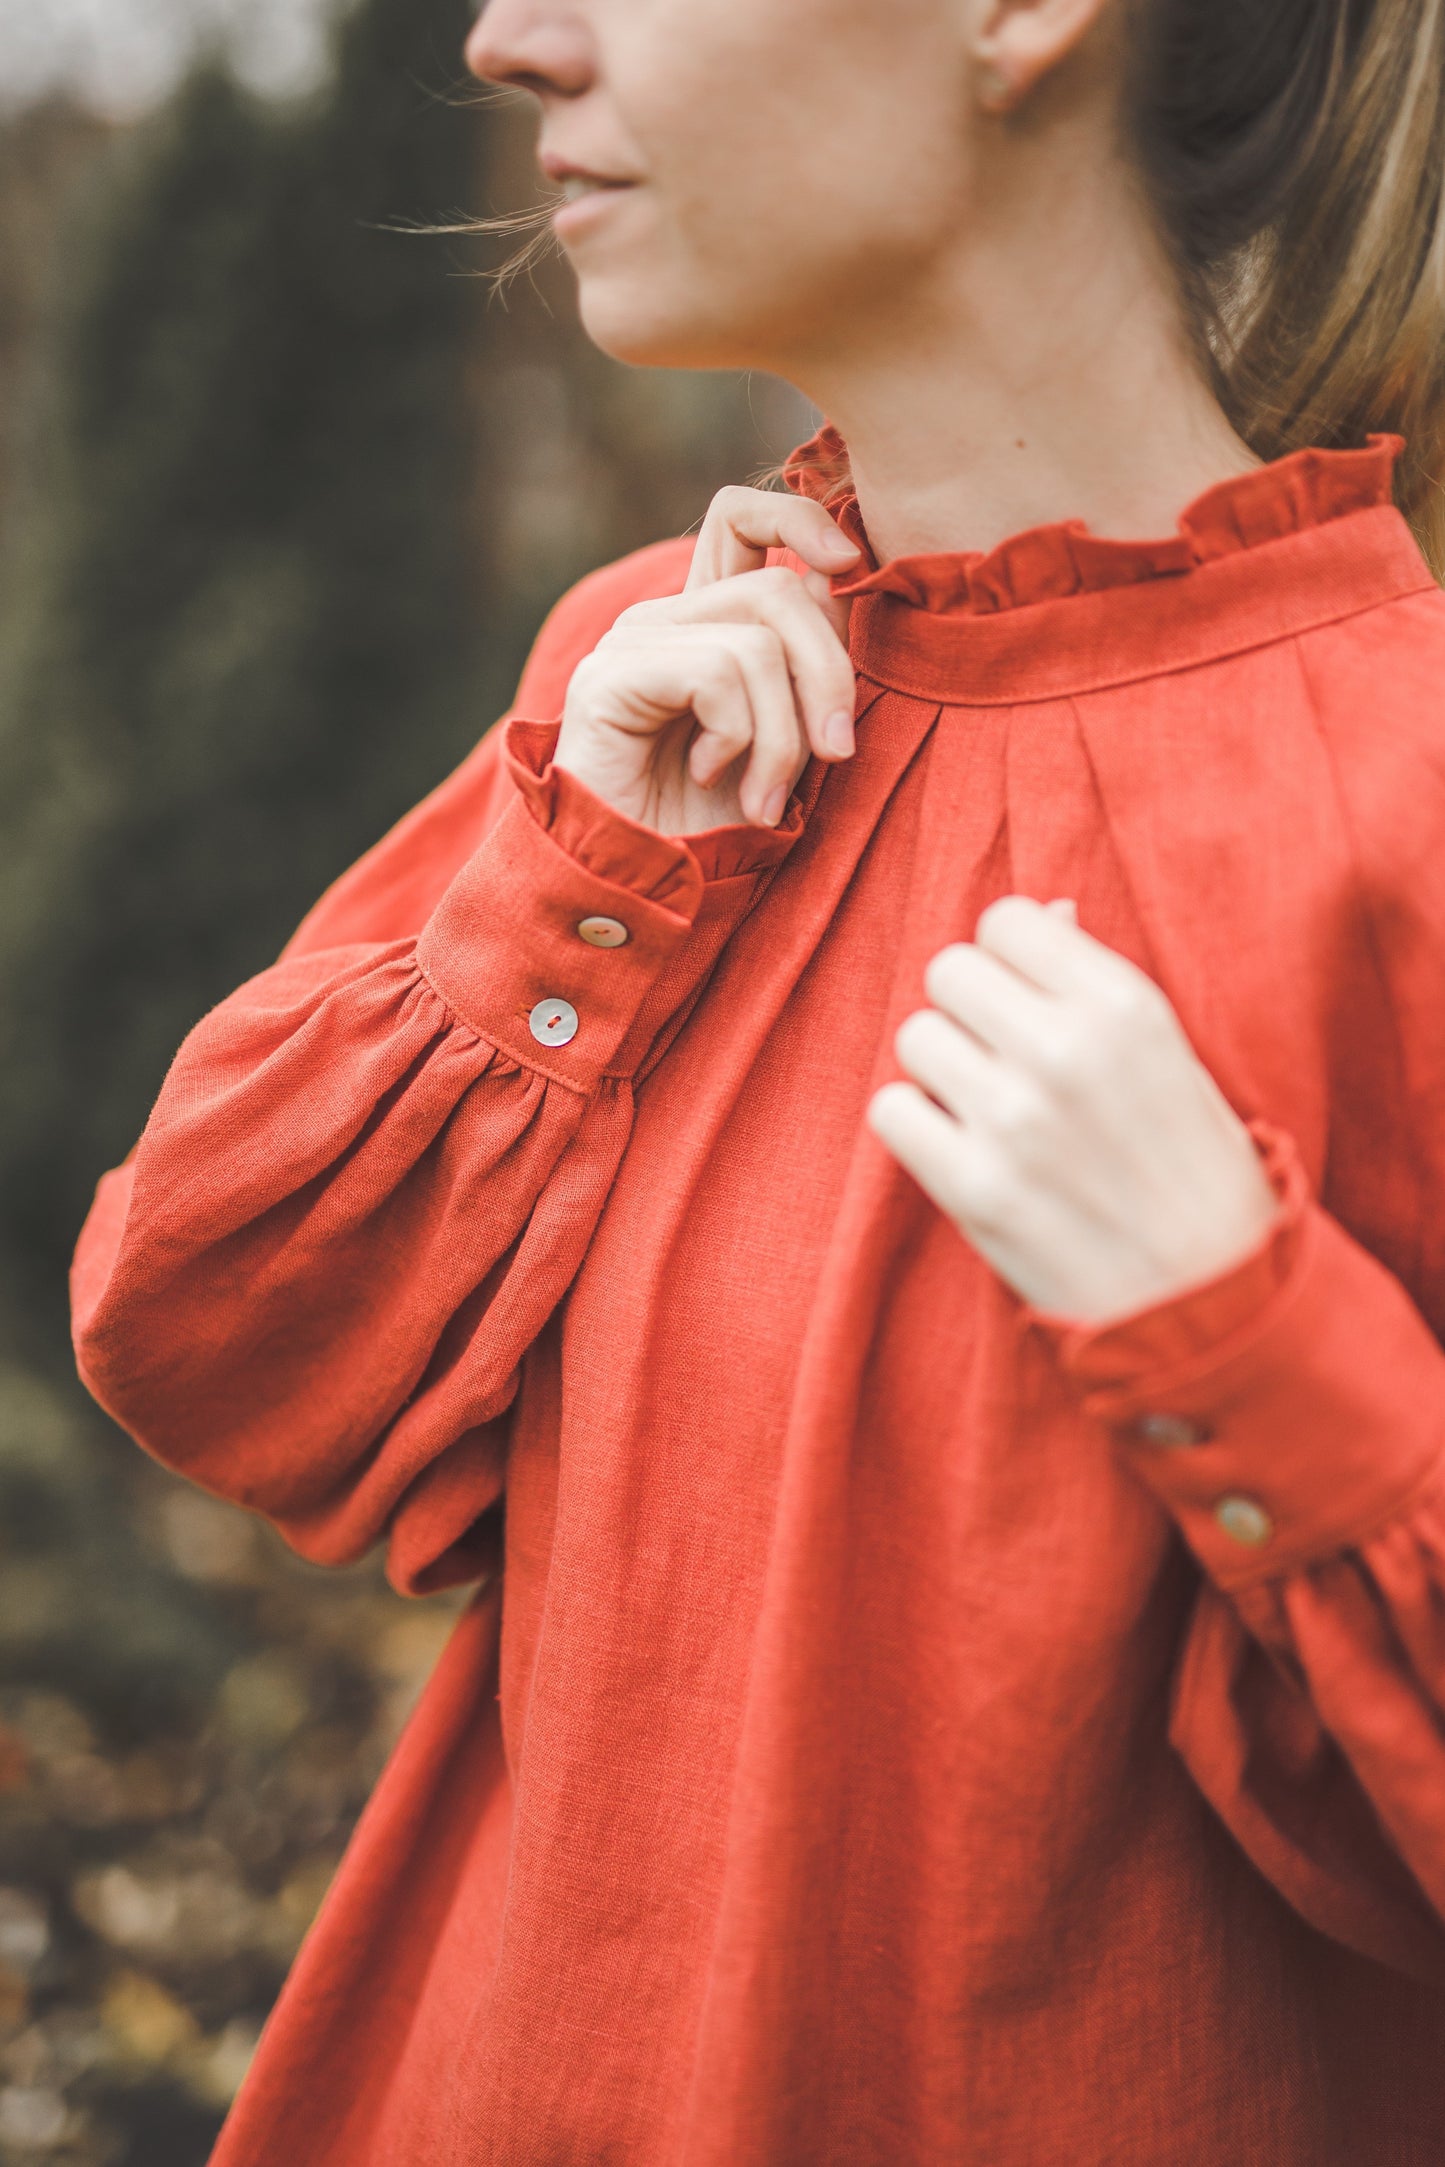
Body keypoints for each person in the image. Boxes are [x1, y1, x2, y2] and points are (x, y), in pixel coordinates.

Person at [70, 0, 1445, 2160]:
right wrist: (566, 897)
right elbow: (203, 1334)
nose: (512, 40)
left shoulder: (1409, 802)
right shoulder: (664, 693)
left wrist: (1254, 1347)